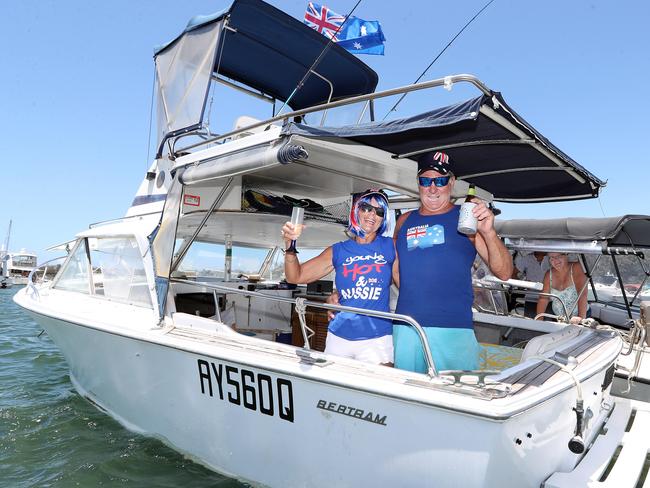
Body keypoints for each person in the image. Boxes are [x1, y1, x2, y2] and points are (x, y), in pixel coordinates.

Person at [393, 151, 513, 372]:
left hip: (453, 330)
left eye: (440, 180)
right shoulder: (404, 221)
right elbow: (395, 270)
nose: (433, 188)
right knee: (407, 398)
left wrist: (489, 232)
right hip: (406, 327)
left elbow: (504, 273)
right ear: (418, 183)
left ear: (451, 182)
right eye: (425, 180)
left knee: (453, 399)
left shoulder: (466, 217)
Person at [281, 190, 397, 365]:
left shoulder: (391, 246)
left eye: (379, 211)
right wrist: (290, 246)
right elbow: (295, 276)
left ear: (383, 218)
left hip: (376, 339)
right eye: (366, 208)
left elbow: (408, 282)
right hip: (339, 336)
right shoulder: (338, 250)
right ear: (356, 210)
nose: (372, 214)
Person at [535, 252, 587, 323]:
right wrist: (538, 320)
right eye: (551, 258)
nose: (555, 261)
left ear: (566, 254)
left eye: (558, 256)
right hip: (558, 319)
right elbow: (543, 299)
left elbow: (582, 295)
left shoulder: (576, 268)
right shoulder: (548, 274)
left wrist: (581, 319)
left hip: (579, 318)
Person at [513, 251, 549, 317]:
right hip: (531, 298)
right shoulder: (526, 258)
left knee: (549, 325)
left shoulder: (552, 258)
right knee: (530, 324)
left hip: (550, 299)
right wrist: (522, 284)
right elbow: (513, 274)